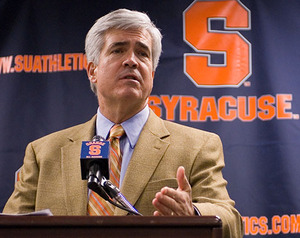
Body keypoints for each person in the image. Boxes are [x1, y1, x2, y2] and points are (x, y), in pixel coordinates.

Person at [3, 9, 243, 237]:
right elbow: (9, 228)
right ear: (92, 71)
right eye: (118, 50)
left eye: (142, 53)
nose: (132, 60)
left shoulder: (198, 146)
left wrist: (193, 213)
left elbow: (231, 221)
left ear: (152, 73)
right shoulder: (43, 153)